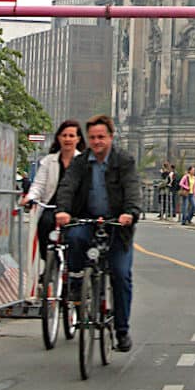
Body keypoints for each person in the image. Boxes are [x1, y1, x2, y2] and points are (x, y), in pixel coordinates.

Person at [55, 114, 141, 353]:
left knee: (121, 275)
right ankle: (75, 280)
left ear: (111, 138)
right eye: (92, 137)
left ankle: (122, 331)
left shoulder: (124, 160)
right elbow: (67, 187)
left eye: (101, 137)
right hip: (88, 219)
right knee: (73, 237)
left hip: (117, 225)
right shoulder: (81, 162)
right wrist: (62, 210)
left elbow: (132, 188)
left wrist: (130, 213)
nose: (97, 141)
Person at [21, 119, 85, 259]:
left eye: (71, 135)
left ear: (78, 139)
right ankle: (49, 263)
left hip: (76, 207)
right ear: (58, 138)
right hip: (51, 205)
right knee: (44, 225)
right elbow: (38, 184)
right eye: (64, 135)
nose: (68, 139)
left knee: (77, 235)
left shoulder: (84, 161)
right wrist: (30, 197)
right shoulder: (48, 161)